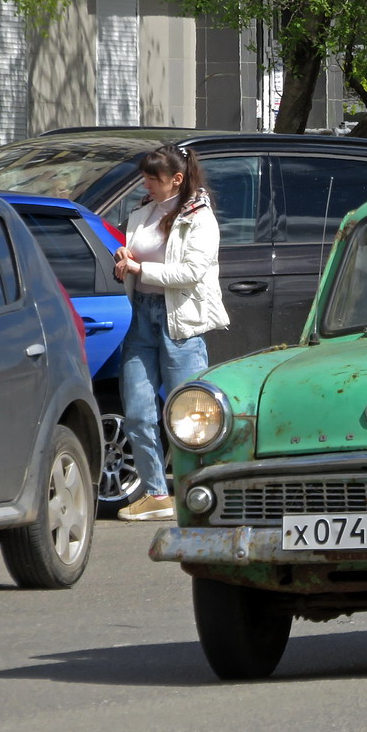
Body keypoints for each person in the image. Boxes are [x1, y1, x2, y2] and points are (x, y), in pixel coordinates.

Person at [114, 145, 230, 521]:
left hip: (179, 320)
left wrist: (138, 271)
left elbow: (190, 273)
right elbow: (135, 255)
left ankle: (198, 490)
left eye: (153, 178)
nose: (145, 183)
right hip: (141, 317)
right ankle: (155, 494)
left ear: (176, 179)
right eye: (145, 176)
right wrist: (123, 256)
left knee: (192, 416)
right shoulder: (142, 211)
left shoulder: (199, 216)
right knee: (137, 412)